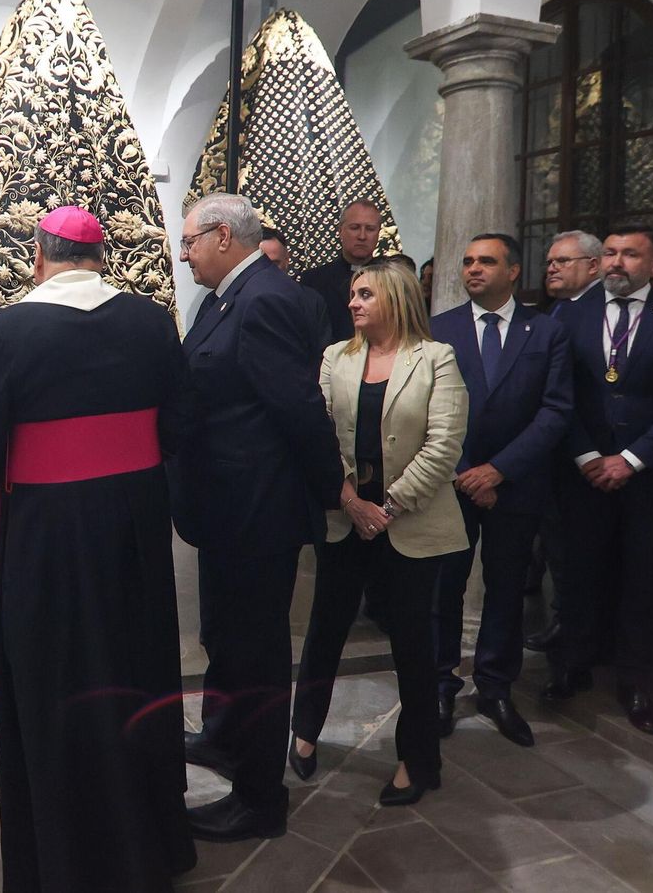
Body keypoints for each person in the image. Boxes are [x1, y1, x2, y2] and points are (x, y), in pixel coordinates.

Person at [0, 206, 195, 892]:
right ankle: (148, 848)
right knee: (136, 670)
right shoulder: (150, 320)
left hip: (49, 538)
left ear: (39, 255)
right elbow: (177, 425)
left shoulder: (10, 328)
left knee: (57, 681)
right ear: (101, 257)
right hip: (136, 532)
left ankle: (62, 861)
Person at [170, 193, 342, 842]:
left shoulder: (264, 299)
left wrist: (332, 490)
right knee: (227, 640)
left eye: (189, 241)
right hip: (224, 509)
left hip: (256, 511)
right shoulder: (224, 299)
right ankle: (224, 736)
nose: (182, 254)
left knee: (258, 653)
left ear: (222, 236)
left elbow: (298, 409)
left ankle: (258, 798)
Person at [291, 261, 467, 804]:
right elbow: (318, 435)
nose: (353, 303)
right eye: (352, 294)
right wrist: (350, 500)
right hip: (346, 520)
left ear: (394, 298)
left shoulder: (436, 359)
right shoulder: (334, 359)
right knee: (324, 632)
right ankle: (303, 733)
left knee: (414, 645)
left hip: (409, 525)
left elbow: (444, 446)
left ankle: (415, 757)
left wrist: (384, 507)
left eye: (365, 293)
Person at [543, 225, 653, 736]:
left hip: (648, 474)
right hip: (583, 470)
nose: (617, 262)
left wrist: (632, 458)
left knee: (642, 576)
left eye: (630, 254)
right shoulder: (571, 315)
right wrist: (589, 454)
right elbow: (557, 392)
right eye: (611, 253)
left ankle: (635, 680)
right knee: (578, 571)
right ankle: (573, 663)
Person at [430, 234, 572, 747]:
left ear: (513, 271)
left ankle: (495, 686)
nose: (473, 269)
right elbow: (429, 406)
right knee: (444, 588)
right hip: (451, 481)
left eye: (485, 261)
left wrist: (499, 471)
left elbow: (556, 410)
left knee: (508, 588)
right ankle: (441, 683)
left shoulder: (545, 331)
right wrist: (467, 470)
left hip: (516, 483)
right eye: (467, 261)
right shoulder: (438, 328)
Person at [525, 229, 604, 654]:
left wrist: (585, 451)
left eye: (563, 261)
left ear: (594, 266)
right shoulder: (558, 310)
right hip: (552, 449)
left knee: (577, 549)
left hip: (582, 449)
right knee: (558, 546)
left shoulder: (598, 312)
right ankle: (565, 621)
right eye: (550, 261)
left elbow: (575, 390)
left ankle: (577, 632)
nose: (552, 267)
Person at [301, 198, 383, 343]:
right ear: (340, 230)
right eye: (355, 227)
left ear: (378, 233)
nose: (362, 236)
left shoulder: (394, 280)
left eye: (370, 229)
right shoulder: (313, 281)